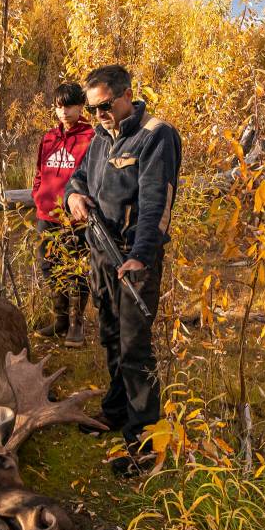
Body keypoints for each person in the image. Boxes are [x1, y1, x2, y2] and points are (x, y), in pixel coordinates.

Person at [64, 64, 182, 477]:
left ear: (126, 94)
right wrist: (74, 198)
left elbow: (156, 204)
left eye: (104, 107)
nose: (98, 115)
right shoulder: (100, 137)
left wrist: (142, 257)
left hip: (132, 258)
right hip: (100, 252)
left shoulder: (155, 135)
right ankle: (114, 412)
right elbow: (77, 180)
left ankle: (145, 444)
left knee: (135, 350)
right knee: (110, 336)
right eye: (93, 109)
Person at [32, 82, 95, 348]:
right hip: (46, 215)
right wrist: (38, 195)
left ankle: (76, 325)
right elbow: (39, 172)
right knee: (49, 266)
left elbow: (94, 177)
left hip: (74, 218)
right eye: (59, 106)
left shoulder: (91, 137)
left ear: (81, 107)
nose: (63, 112)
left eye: (69, 106)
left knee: (77, 271)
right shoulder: (48, 137)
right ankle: (59, 320)